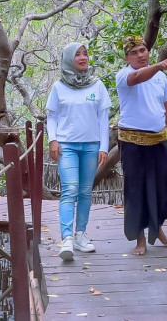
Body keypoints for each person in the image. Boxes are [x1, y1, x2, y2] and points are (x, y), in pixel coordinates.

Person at [116, 35, 167, 256]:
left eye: (142, 50)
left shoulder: (160, 78)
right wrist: (158, 65)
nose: (140, 55)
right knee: (136, 190)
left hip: (158, 139)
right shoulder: (124, 75)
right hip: (132, 141)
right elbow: (137, 78)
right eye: (134, 53)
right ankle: (140, 239)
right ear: (127, 57)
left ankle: (157, 226)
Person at [46, 42, 111, 260]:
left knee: (85, 191)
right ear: (68, 59)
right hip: (67, 145)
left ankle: (81, 234)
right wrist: (52, 140)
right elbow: (52, 116)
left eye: (85, 54)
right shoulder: (59, 87)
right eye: (77, 55)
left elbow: (104, 118)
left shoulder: (97, 85)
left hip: (91, 145)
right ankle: (67, 239)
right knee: (70, 189)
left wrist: (104, 147)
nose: (83, 58)